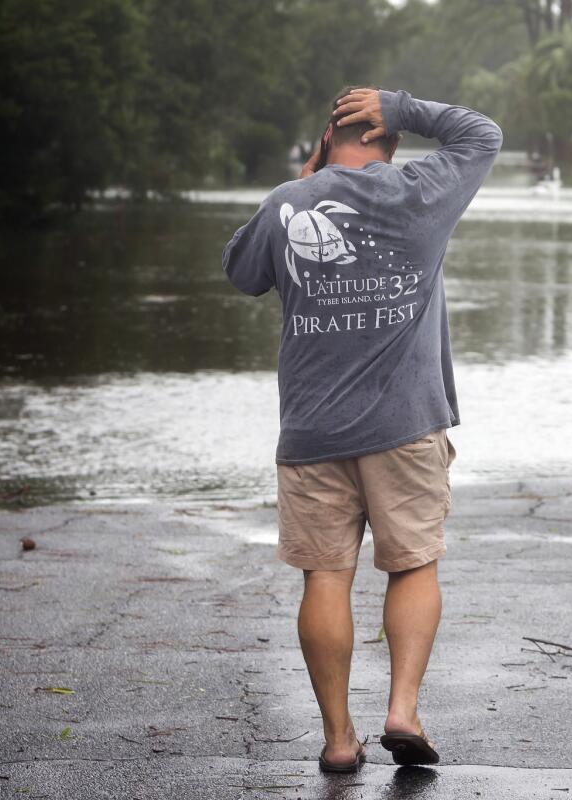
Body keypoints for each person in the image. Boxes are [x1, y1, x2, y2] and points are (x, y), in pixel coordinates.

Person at [221, 86, 502, 772]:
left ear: (325, 139)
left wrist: (304, 182)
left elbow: (241, 271)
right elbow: (481, 133)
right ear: (392, 140)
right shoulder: (421, 191)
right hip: (406, 426)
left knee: (325, 577)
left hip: (314, 433)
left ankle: (340, 740)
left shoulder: (288, 202)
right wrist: (403, 104)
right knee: (413, 565)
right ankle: (402, 710)